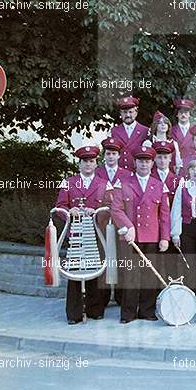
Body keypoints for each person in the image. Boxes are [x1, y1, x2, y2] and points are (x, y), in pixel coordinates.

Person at [110, 146, 170, 324]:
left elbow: (164, 215)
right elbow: (115, 209)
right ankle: (128, 313)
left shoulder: (159, 186)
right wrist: (128, 227)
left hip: (152, 237)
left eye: (147, 161)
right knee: (130, 275)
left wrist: (164, 238)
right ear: (134, 162)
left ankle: (147, 311)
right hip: (130, 239)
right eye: (140, 161)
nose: (144, 164)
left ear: (152, 163)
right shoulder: (124, 183)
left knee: (149, 276)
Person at [55, 145, 113, 324]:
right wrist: (69, 210)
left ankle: (95, 310)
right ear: (79, 164)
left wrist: (95, 211)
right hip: (77, 234)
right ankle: (74, 314)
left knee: (95, 271)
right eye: (84, 161)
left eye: (92, 161)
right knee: (74, 274)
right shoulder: (69, 182)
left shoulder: (104, 184)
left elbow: (111, 208)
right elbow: (59, 207)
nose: (88, 165)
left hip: (96, 234)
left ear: (97, 164)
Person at [170, 159, 196, 313]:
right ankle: (189, 300)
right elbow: (176, 211)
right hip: (187, 228)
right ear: (188, 172)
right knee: (188, 264)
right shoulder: (182, 188)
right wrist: (175, 234)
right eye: (192, 169)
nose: (195, 172)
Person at [110, 96, 149, 170]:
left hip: (138, 173)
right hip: (120, 173)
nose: (128, 115)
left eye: (130, 112)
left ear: (136, 113)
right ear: (120, 114)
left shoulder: (145, 131)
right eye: (124, 112)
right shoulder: (114, 131)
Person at [151, 140, 180, 205]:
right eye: (159, 157)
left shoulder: (178, 180)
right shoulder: (150, 177)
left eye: (165, 157)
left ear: (170, 158)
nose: (162, 160)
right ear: (154, 158)